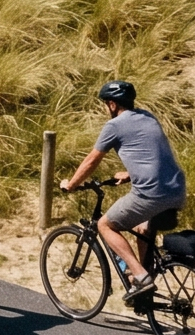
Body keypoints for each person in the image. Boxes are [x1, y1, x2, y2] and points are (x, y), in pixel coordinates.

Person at [60, 80, 187, 305]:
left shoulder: (115, 125)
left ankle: (141, 276)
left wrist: (71, 184)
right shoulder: (148, 116)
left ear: (111, 104)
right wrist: (129, 174)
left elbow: (91, 161)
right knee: (142, 227)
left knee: (105, 225)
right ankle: (144, 287)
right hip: (176, 189)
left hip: (151, 192)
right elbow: (151, 152)